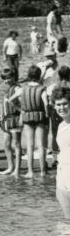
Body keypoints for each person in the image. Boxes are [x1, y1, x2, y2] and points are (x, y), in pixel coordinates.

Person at [9, 65, 50, 178]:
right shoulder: (42, 88)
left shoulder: (23, 88)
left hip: (27, 117)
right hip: (40, 117)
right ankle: (43, 172)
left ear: (28, 75)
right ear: (39, 75)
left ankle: (30, 172)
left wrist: (21, 110)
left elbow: (11, 100)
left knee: (29, 145)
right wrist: (47, 114)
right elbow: (46, 103)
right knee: (41, 145)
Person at [0, 67, 23, 177]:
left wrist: (15, 107)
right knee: (6, 144)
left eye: (9, 78)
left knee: (16, 144)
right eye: (4, 78)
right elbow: (3, 104)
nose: (7, 80)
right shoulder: (6, 89)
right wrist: (0, 115)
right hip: (6, 119)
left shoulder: (17, 88)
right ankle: (10, 167)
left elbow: (23, 107)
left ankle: (17, 169)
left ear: (13, 77)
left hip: (15, 118)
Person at [53, 87, 70, 221]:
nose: (61, 107)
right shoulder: (61, 125)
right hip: (62, 176)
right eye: (58, 104)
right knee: (67, 221)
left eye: (65, 103)